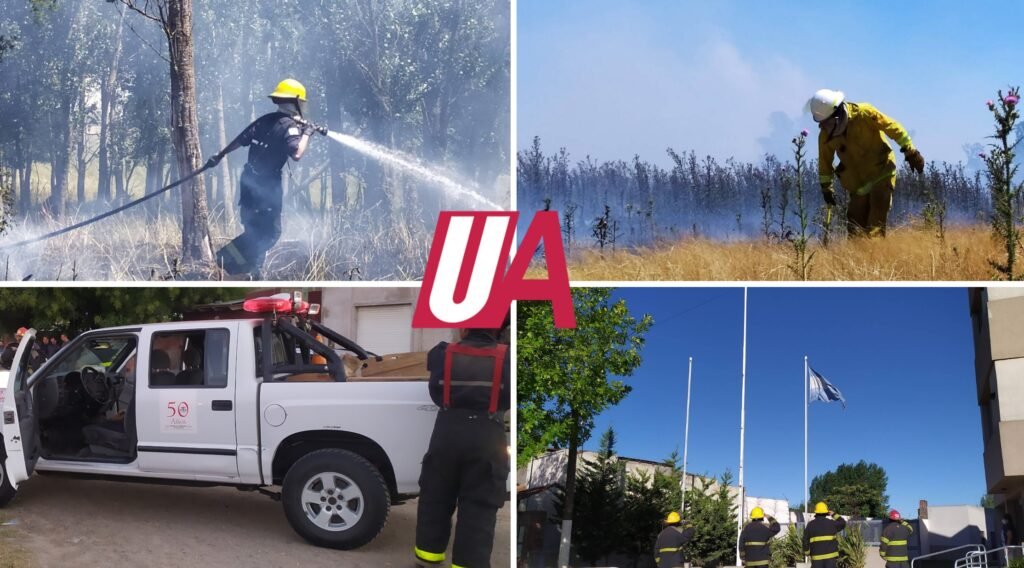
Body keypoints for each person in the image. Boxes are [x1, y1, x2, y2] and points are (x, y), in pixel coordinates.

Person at [414, 316, 511, 568]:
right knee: (479, 509)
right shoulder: (508, 358)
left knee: (434, 500)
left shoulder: (441, 353)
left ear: (464, 327)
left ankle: (426, 561)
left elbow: (435, 390)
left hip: (447, 433)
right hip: (488, 436)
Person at [206, 78, 321, 278]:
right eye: (302, 101)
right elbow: (297, 154)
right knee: (271, 234)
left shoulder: (264, 120)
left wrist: (220, 155)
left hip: (248, 182)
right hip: (267, 187)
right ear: (295, 101)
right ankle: (223, 258)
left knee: (253, 230)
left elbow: (240, 139)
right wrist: (308, 134)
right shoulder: (291, 127)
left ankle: (249, 272)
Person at [808, 89, 925, 237]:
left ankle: (876, 257)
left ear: (836, 116)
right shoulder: (825, 137)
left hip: (882, 173)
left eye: (825, 123)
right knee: (855, 230)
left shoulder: (864, 114)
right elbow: (824, 163)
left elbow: (893, 127)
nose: (821, 127)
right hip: (858, 186)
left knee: (875, 227)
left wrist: (911, 151)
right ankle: (860, 259)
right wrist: (826, 188)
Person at [804, 502, 846, 568]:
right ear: (826, 512)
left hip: (816, 558)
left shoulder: (810, 525)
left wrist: (807, 552)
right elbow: (842, 523)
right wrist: (833, 514)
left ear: (816, 512)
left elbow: (805, 540)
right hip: (830, 558)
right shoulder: (831, 524)